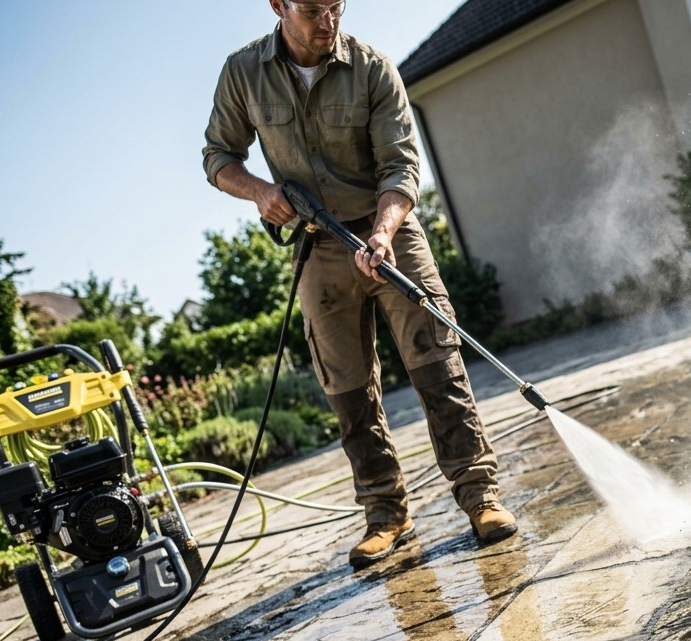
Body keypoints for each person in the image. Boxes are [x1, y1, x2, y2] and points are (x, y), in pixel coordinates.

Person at [202, 0, 517, 569]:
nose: (328, 22)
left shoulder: (372, 68)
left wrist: (383, 232)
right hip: (316, 244)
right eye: (312, 9)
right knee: (347, 388)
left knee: (437, 361)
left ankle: (480, 497)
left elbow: (401, 165)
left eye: (337, 6)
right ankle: (385, 515)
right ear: (278, 5)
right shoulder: (243, 72)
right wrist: (262, 193)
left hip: (386, 229)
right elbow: (218, 156)